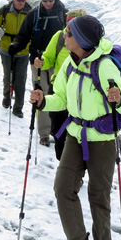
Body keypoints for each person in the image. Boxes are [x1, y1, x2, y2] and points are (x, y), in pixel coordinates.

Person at [29, 15, 121, 240]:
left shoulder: (106, 66)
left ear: (83, 40)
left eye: (69, 33)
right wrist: (43, 102)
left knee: (99, 199)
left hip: (102, 140)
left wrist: (119, 98)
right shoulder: (69, 63)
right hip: (76, 136)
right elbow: (61, 98)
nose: (64, 35)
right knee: (63, 188)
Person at [9, 0, 67, 146]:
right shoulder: (34, 14)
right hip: (38, 60)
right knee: (40, 93)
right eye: (45, 0)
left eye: (51, 0)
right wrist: (16, 46)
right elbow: (24, 35)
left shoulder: (64, 14)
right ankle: (44, 132)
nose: (48, 3)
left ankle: (57, 129)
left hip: (59, 62)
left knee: (58, 94)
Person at [33, 8, 86, 160]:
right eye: (69, 23)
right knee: (58, 127)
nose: (70, 28)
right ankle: (63, 162)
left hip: (79, 90)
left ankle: (73, 166)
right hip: (58, 87)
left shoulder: (89, 42)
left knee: (76, 128)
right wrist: (42, 62)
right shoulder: (60, 37)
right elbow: (49, 58)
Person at [0, 0, 31, 117]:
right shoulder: (4, 10)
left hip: (23, 50)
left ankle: (18, 107)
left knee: (21, 78)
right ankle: (7, 97)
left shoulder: (30, 12)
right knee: (8, 76)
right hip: (6, 48)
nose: (20, 2)